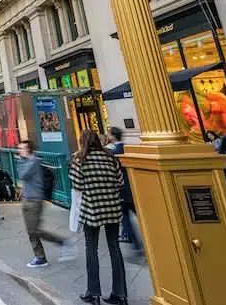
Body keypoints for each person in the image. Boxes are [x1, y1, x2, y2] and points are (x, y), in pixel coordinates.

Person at [69, 130, 127, 305]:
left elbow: (77, 186)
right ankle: (120, 294)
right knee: (115, 249)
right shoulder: (111, 159)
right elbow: (120, 183)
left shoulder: (80, 160)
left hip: (92, 210)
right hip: (113, 209)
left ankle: (93, 293)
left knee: (91, 248)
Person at [18, 140, 73, 268]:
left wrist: (23, 161)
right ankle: (40, 257)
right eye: (19, 148)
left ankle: (61, 243)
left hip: (34, 200)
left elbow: (23, 175)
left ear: (29, 149)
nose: (20, 151)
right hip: (27, 199)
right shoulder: (28, 162)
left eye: (23, 148)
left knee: (34, 231)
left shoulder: (33, 161)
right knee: (31, 231)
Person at [107, 128, 143, 256]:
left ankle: (135, 244)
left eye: (109, 133)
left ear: (113, 136)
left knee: (125, 218)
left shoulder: (114, 152)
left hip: (122, 189)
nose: (107, 135)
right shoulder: (127, 148)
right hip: (131, 187)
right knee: (139, 215)